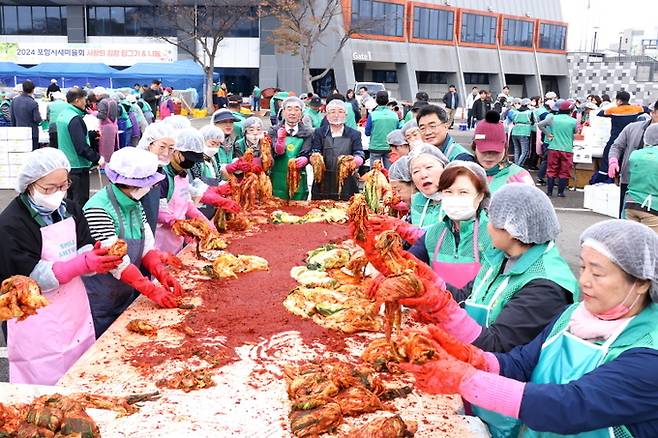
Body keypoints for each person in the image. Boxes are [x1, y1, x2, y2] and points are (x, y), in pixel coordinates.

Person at [403, 219, 658, 438]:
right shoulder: (573, 316)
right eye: (582, 267)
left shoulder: (648, 354)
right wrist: (469, 357)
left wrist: (468, 380)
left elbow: (570, 405)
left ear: (642, 283)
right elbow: (522, 363)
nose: (584, 281)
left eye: (598, 273)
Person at [0, 148, 121, 384]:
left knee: (81, 371)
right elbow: (27, 277)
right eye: (48, 188)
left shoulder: (71, 210)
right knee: (44, 387)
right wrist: (79, 264)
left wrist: (95, 258)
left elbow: (84, 244)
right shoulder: (11, 223)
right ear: (30, 185)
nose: (57, 194)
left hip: (73, 310)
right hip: (34, 319)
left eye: (63, 186)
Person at [83, 147, 182, 337]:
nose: (151, 188)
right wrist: (151, 290)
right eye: (149, 183)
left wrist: (159, 271)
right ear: (133, 184)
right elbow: (116, 262)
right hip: (101, 298)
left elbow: (145, 245)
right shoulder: (98, 210)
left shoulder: (135, 204)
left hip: (125, 290)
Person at [407, 161, 491, 289]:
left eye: (463, 192)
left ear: (479, 196)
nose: (454, 198)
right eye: (448, 192)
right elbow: (407, 265)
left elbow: (482, 287)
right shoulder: (434, 233)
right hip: (433, 306)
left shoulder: (491, 236)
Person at [156, 129, 216, 254]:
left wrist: (205, 222)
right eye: (189, 157)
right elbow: (159, 212)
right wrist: (180, 224)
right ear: (176, 151)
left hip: (177, 238)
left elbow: (187, 204)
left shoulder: (183, 173)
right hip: (161, 240)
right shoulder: (162, 176)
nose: (191, 162)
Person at [305, 99, 364, 200]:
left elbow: (359, 152)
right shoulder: (319, 133)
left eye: (340, 111)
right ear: (327, 116)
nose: (336, 115)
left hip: (347, 181)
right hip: (323, 180)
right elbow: (315, 150)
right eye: (332, 112)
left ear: (345, 115)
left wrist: (357, 160)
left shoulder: (354, 134)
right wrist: (314, 157)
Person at [608, 99, 658, 217]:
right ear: (654, 112)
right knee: (625, 216)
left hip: (654, 186)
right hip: (630, 181)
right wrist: (613, 161)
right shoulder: (632, 128)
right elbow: (617, 146)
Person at [56, 88, 101, 208]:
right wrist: (97, 158)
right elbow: (81, 146)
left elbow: (69, 138)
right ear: (77, 100)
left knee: (71, 199)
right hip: (78, 165)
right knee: (80, 200)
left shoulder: (63, 114)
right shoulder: (75, 118)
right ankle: (78, 225)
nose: (85, 102)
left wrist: (90, 135)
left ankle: (71, 223)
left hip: (68, 163)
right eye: (84, 100)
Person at [593, 90, 649, 183]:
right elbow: (647, 109)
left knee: (608, 161)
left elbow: (600, 113)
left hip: (615, 139)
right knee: (625, 163)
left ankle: (607, 182)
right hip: (630, 141)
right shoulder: (636, 109)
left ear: (619, 100)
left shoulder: (614, 110)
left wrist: (612, 106)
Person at [473, 111, 533, 193]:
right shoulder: (463, 175)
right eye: (484, 150)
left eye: (495, 151)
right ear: (474, 146)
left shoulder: (520, 177)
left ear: (505, 148)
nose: (489, 156)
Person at [269, 96, 314, 200]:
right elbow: (271, 153)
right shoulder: (274, 130)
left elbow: (308, 152)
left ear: (301, 113)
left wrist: (305, 158)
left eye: (296, 109)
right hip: (277, 180)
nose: (292, 113)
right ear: (283, 112)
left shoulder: (308, 132)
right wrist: (279, 142)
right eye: (289, 109)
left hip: (299, 178)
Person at [136, 122, 176, 233]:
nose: (166, 153)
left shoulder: (160, 172)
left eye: (171, 148)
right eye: (162, 147)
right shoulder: (136, 171)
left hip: (150, 231)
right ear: (149, 144)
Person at [539, 100, 577, 197]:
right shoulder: (573, 121)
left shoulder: (552, 117)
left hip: (553, 147)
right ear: (570, 110)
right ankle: (560, 192)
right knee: (564, 171)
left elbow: (540, 125)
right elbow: (575, 132)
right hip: (567, 149)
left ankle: (549, 191)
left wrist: (548, 134)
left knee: (551, 169)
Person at [624, 124, 658, 232]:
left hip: (631, 203)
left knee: (632, 241)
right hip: (652, 205)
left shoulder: (635, 154)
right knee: (651, 244)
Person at [407, 144, 449, 231]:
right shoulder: (416, 201)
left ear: (444, 167)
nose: (423, 175)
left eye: (429, 167)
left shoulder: (458, 199)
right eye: (416, 171)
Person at [365, 91, 399, 169]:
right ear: (388, 101)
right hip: (389, 147)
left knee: (374, 174)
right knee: (389, 172)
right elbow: (397, 131)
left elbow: (367, 132)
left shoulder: (372, 115)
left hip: (375, 147)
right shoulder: (394, 115)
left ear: (376, 100)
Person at [10, 80, 42, 150]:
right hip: (32, 133)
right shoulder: (33, 103)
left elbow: (12, 118)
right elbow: (37, 119)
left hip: (19, 131)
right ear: (33, 90)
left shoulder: (14, 101)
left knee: (21, 153)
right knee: (32, 154)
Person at [95, 87, 119, 163]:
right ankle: (112, 162)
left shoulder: (102, 102)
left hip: (106, 127)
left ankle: (105, 164)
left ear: (99, 95)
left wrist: (94, 113)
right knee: (112, 146)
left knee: (105, 147)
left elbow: (102, 115)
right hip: (114, 125)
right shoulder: (113, 101)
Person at [509, 98, 534, 168]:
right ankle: (518, 166)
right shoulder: (529, 112)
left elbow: (512, 119)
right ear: (527, 104)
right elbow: (533, 121)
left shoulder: (515, 112)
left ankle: (515, 165)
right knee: (525, 151)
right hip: (524, 132)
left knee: (516, 150)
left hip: (514, 132)